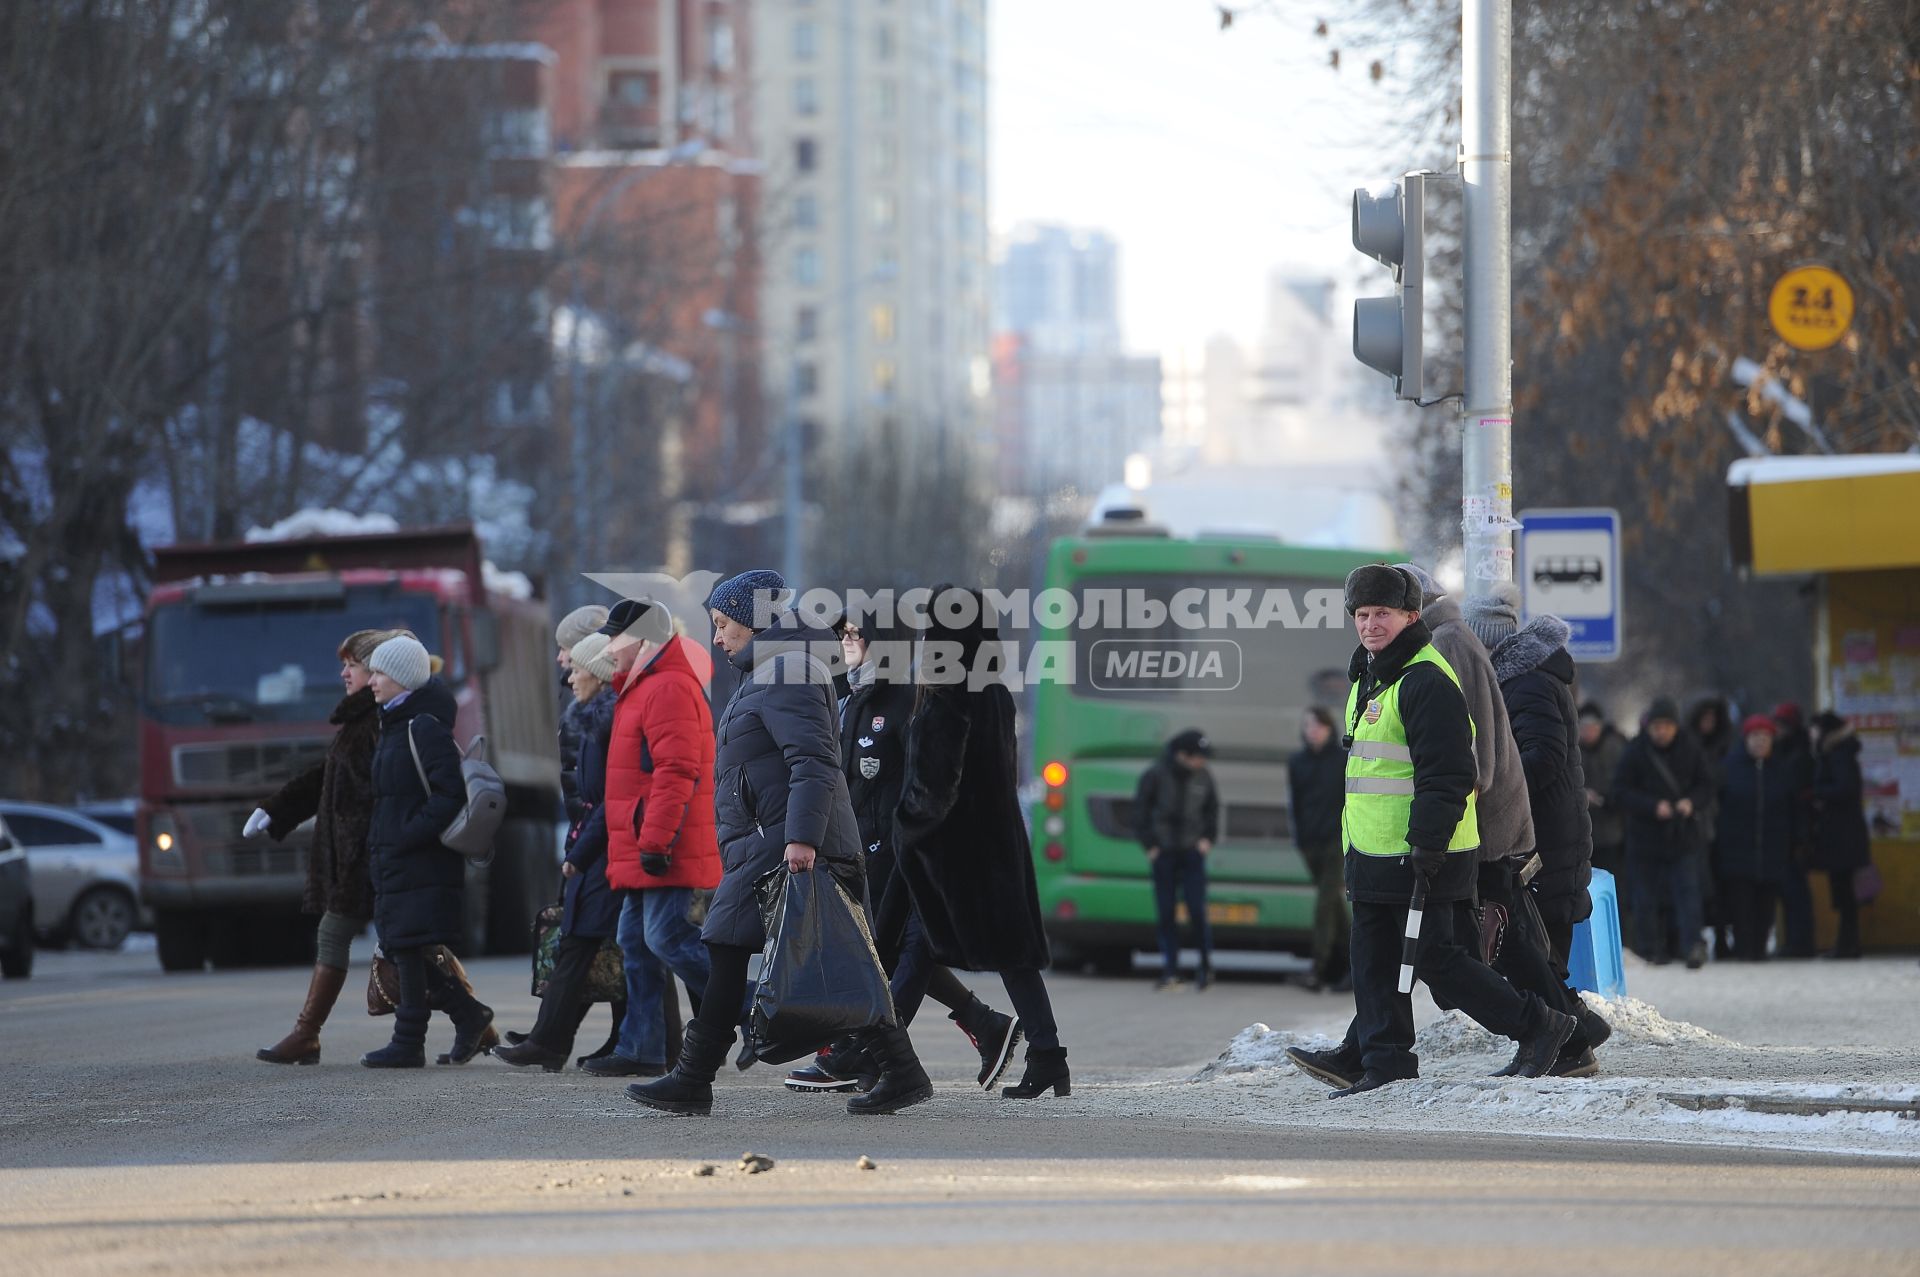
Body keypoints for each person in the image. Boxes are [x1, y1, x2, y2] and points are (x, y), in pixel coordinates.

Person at [629, 570, 933, 1117]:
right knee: (833, 962)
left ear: (754, 620)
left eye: (723, 625)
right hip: (770, 839)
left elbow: (813, 762)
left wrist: (800, 839)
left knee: (733, 946)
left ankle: (694, 1077)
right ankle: (903, 1072)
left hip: (786, 843)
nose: (717, 638)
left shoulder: (786, 671)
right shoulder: (767, 670)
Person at [1284, 566, 1575, 1097]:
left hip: (1424, 853)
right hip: (1372, 850)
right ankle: (1385, 1060)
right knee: (1372, 961)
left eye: (1383, 615)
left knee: (1440, 963)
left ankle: (1539, 1024)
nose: (1371, 625)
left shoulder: (1426, 678)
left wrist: (1427, 844)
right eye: (1363, 615)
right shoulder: (1371, 677)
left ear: (1411, 616)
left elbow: (1449, 774)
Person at [784, 610, 1018, 1094]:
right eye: (843, 633)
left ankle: (862, 1055)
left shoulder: (907, 701)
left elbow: (926, 785)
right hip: (855, 848)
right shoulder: (848, 693)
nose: (845, 640)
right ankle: (983, 1024)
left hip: (895, 852)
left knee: (879, 953)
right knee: (884, 952)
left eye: (855, 633)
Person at [891, 585, 1069, 1100]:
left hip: (953, 851)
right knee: (1010, 953)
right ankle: (1048, 1056)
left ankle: (882, 1050)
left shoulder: (948, 693)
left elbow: (934, 788)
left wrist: (906, 825)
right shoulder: (992, 689)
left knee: (919, 945)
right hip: (997, 844)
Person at [1466, 593, 1610, 1077]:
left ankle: (1571, 1044)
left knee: (1536, 952)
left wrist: (1494, 788)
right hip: (1552, 839)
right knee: (1538, 952)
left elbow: (1542, 756)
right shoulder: (1526, 681)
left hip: (1546, 844)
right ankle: (1576, 1034)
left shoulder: (1524, 685)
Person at [587, 597, 720, 1079]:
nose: (608, 647)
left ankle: (754, 1006)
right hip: (649, 840)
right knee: (635, 941)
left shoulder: (667, 687)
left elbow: (676, 771)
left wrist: (656, 841)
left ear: (643, 641)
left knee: (666, 938)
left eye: (615, 637)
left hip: (665, 842)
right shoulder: (644, 686)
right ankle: (641, 1047)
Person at [247, 629, 388, 1065]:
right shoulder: (359, 720)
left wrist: (362, 847)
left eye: (353, 665)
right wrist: (278, 808)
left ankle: (306, 1033)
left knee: (363, 937)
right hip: (355, 854)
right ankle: (473, 1019)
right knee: (410, 945)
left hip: (367, 854)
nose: (344, 673)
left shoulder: (379, 721)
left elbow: (379, 793)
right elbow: (328, 776)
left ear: (377, 670)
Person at [359, 634, 496, 1068]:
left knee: (408, 944)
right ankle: (469, 1016)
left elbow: (448, 794)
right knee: (408, 945)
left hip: (420, 857)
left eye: (379, 673)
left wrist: (407, 834)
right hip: (397, 856)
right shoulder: (394, 724)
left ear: (402, 679)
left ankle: (409, 1040)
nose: (371, 681)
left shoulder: (423, 728)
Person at [495, 634, 623, 1070]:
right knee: (601, 945)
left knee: (595, 945)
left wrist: (581, 851)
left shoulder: (604, 724)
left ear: (600, 673)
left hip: (607, 851)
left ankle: (551, 1041)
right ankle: (554, 1039)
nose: (568, 675)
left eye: (576, 667)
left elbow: (610, 799)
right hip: (597, 848)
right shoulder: (590, 719)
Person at [1613, 697, 1714, 968]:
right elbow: (1620, 791)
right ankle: (1649, 949)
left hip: (1682, 835)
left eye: (1667, 726)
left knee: (1688, 893)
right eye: (1657, 726)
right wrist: (1652, 806)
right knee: (1645, 897)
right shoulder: (1635, 751)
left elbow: (1706, 785)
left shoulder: (1691, 749)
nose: (1662, 732)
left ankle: (1692, 945)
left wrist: (1690, 802)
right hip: (1645, 837)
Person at [1133, 728, 1220, 991]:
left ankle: (1205, 967)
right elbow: (1140, 812)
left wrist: (1207, 840)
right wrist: (1151, 846)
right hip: (1165, 852)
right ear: (1183, 755)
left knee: (1197, 909)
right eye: (1197, 757)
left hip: (1193, 852)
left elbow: (1213, 810)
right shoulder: (1156, 775)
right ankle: (1170, 970)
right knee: (1166, 911)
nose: (1202, 762)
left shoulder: (1204, 777)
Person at [1715, 714, 1801, 961]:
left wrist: (1796, 839)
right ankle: (1744, 949)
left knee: (1766, 903)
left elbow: (1793, 809)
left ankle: (1760, 948)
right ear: (1746, 739)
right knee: (1741, 904)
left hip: (1773, 849)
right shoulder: (1729, 768)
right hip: (1737, 849)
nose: (1760, 742)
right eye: (1755, 737)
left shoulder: (1781, 770)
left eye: (1765, 738)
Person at [1287, 706, 1349, 992]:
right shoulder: (1297, 762)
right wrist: (1299, 839)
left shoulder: (1341, 760)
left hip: (1335, 842)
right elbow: (1296, 805)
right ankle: (1350, 967)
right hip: (1310, 843)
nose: (1312, 730)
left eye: (1317, 725)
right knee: (1334, 906)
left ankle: (1317, 969)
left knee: (1325, 905)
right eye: (1307, 725)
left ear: (1328, 728)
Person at [1806, 710, 1869, 959]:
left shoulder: (1838, 754)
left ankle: (1847, 945)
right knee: (1844, 891)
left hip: (1843, 834)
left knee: (1844, 892)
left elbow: (1845, 788)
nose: (1811, 734)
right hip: (1844, 832)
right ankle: (1847, 943)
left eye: (1814, 729)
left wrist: (1817, 793)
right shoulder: (1838, 752)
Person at [1688, 695, 1734, 960]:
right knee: (1702, 884)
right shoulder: (1692, 748)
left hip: (1721, 823)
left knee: (1720, 884)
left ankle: (1721, 937)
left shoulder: (1724, 747)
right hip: (1700, 825)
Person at [1770, 702, 1818, 957]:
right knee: (1792, 892)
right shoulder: (1791, 751)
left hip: (1796, 833)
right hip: (1790, 832)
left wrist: (1802, 838)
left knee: (1795, 892)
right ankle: (1796, 942)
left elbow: (1797, 798)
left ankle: (1800, 943)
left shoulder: (1797, 755)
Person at [1578, 702, 1629, 886]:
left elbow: (1626, 785)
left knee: (1615, 883)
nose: (1588, 732)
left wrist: (1605, 799)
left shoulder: (1616, 748)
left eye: (1592, 727)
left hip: (1613, 832)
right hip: (1583, 835)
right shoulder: (1572, 750)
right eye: (1584, 727)